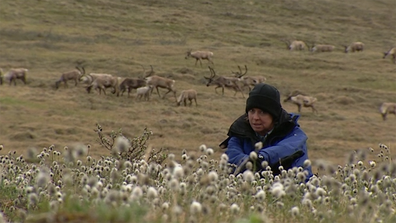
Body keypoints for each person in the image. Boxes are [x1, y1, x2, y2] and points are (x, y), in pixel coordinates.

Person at [220, 83, 313, 179]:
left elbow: (286, 148)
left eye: (262, 112)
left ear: (274, 115)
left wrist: (261, 158)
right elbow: (232, 155)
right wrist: (251, 162)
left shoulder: (293, 134)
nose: (255, 117)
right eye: (252, 111)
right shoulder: (239, 132)